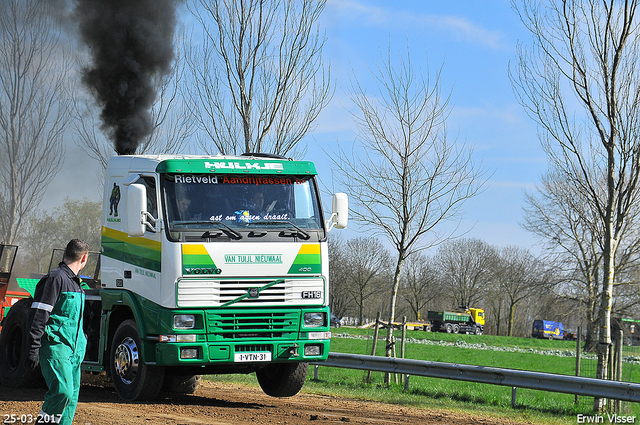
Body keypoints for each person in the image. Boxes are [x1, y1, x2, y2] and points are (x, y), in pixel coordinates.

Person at [26, 239, 89, 425]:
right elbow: (38, 314)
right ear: (84, 258)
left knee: (70, 400)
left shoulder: (77, 285)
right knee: (62, 392)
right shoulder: (56, 279)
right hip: (57, 347)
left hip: (75, 350)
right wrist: (33, 348)